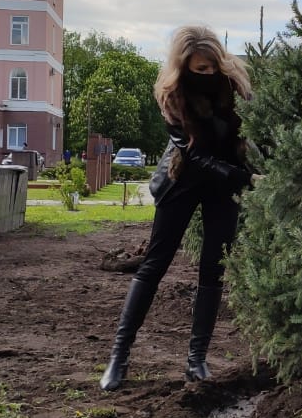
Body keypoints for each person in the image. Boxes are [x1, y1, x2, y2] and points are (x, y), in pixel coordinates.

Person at [99, 25, 257, 390]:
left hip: (224, 186)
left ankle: (196, 361)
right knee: (155, 264)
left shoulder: (236, 89)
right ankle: (118, 357)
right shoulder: (173, 96)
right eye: (199, 69)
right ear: (184, 67)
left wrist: (245, 172)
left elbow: (248, 136)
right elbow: (195, 155)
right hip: (184, 177)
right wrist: (243, 179)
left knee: (213, 270)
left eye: (211, 68)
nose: (207, 75)